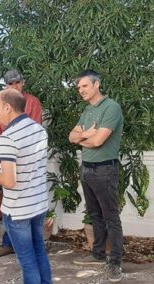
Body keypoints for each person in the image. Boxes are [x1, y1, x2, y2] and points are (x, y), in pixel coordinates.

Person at [0, 89, 52, 284]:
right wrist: (0, 158)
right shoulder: (38, 129)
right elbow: (28, 157)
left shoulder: (8, 137)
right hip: (38, 204)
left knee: (28, 261)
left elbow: (9, 181)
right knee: (40, 253)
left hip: (18, 209)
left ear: (7, 107)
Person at [69, 70, 124, 283]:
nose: (81, 90)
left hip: (105, 169)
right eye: (79, 87)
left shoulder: (111, 107)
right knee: (95, 214)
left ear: (96, 84)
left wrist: (81, 139)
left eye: (84, 86)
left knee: (111, 216)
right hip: (87, 168)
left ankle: (115, 262)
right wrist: (84, 135)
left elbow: (99, 141)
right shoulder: (87, 110)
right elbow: (71, 135)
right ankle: (98, 255)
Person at [0, 69, 43, 257]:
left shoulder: (33, 102)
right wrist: (5, 147)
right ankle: (9, 242)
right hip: (8, 160)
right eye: (10, 84)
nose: (14, 87)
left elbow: (35, 131)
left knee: (29, 200)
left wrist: (13, 144)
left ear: (23, 83)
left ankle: (29, 245)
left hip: (28, 161)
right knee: (10, 200)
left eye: (17, 83)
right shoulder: (1, 104)